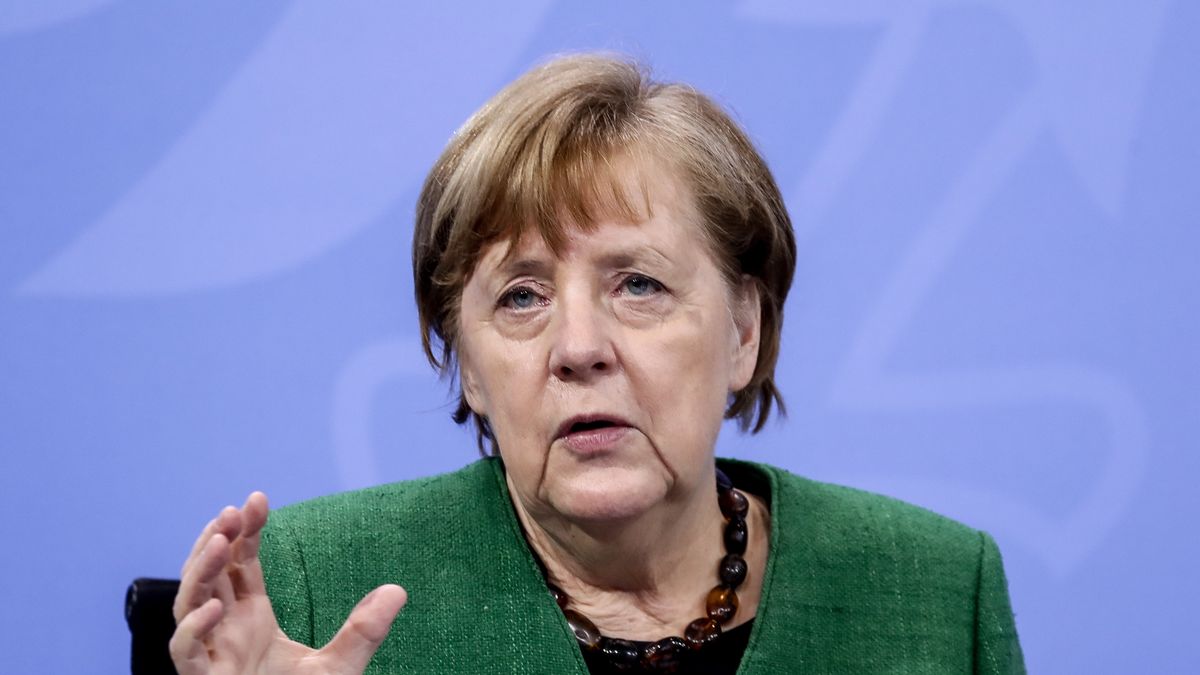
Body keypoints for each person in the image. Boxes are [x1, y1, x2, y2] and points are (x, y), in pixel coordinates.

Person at [169, 53, 1025, 674]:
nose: (579, 348)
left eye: (639, 284)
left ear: (743, 330)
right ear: (468, 365)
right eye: (521, 297)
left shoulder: (937, 591)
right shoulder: (310, 586)